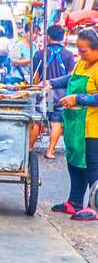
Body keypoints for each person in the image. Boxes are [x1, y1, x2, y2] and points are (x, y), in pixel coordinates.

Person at [53, 27, 98, 220]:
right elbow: (70, 78)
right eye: (78, 50)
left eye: (84, 50)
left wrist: (77, 98)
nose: (80, 54)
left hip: (92, 127)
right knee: (74, 163)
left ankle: (94, 207)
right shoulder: (82, 63)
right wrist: (51, 83)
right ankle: (74, 202)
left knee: (92, 166)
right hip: (75, 125)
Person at [32, 24, 76, 160]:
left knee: (37, 120)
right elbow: (70, 77)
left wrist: (35, 90)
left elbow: (36, 76)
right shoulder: (68, 55)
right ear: (62, 38)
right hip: (61, 95)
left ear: (48, 37)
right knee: (56, 121)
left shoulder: (40, 54)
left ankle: (29, 148)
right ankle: (50, 151)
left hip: (45, 93)